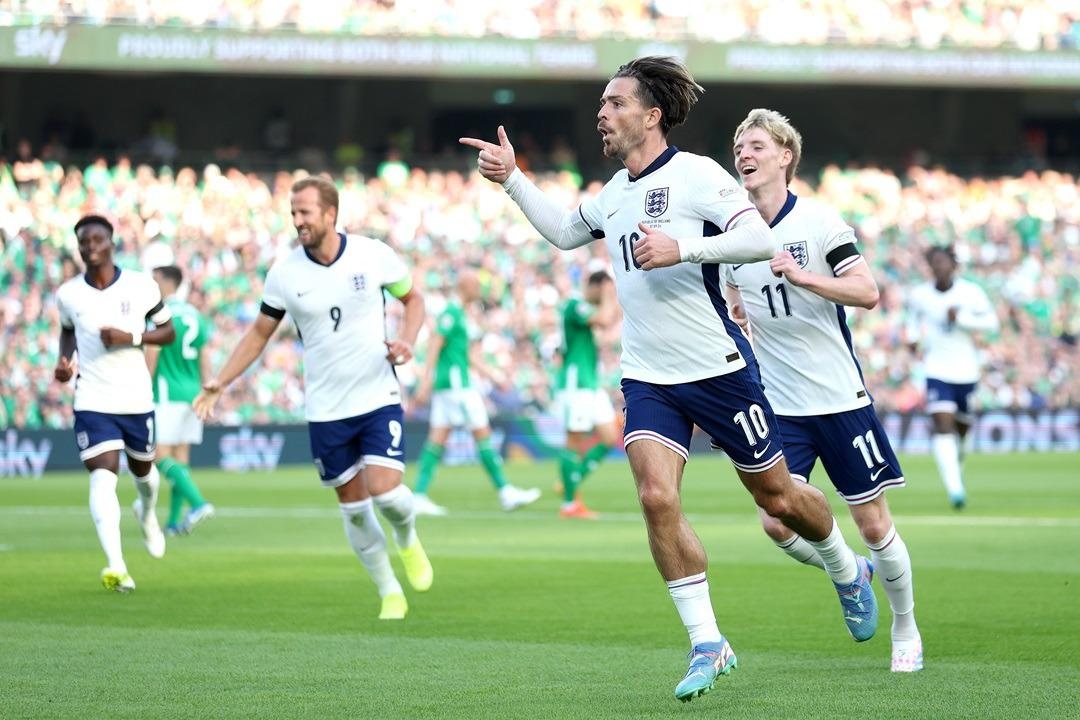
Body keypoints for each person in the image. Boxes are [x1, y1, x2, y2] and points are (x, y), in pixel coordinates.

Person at [461, 56, 877, 702]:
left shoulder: (697, 177)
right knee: (657, 498)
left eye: (615, 103)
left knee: (779, 499)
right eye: (602, 103)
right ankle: (708, 641)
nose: (603, 113)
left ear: (651, 116)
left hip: (720, 370)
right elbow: (566, 233)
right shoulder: (614, 192)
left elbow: (759, 241)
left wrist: (685, 248)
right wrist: (514, 179)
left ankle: (846, 568)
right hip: (648, 376)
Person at [724, 108, 922, 672]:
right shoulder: (734, 235)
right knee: (773, 519)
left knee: (874, 523)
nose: (745, 153)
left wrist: (804, 276)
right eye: (740, 145)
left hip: (839, 399)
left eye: (757, 144)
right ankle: (848, 571)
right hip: (781, 406)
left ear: (785, 156)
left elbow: (867, 291)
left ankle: (905, 629)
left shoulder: (818, 221)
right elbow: (739, 304)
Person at [193, 176, 433, 621]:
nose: (297, 221)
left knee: (385, 492)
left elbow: (413, 299)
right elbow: (259, 333)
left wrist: (407, 339)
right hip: (326, 409)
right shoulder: (285, 274)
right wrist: (221, 381)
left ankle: (407, 538)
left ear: (329, 213)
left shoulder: (371, 254)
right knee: (357, 510)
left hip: (377, 393)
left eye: (304, 212)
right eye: (293, 213)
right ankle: (389, 592)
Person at [54, 213, 176, 592]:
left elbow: (168, 332)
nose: (90, 247)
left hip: (136, 398)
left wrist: (132, 337)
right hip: (92, 398)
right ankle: (117, 566)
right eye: (83, 242)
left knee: (144, 476)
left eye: (97, 240)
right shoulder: (69, 294)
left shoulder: (141, 287)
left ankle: (148, 514)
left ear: (111, 243)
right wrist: (64, 363)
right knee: (102, 477)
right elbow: (67, 333)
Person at [411, 270, 541, 515]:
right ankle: (505, 491)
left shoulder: (459, 313)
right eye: (476, 285)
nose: (480, 289)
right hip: (456, 386)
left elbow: (465, 353)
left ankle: (418, 494)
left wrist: (492, 375)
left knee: (436, 440)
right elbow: (435, 343)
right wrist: (425, 381)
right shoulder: (451, 313)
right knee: (481, 433)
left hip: (450, 387)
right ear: (466, 286)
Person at [906, 246, 999, 509]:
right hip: (937, 369)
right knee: (942, 423)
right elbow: (912, 321)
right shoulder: (920, 295)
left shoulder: (970, 292)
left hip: (966, 370)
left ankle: (957, 457)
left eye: (943, 262)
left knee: (962, 429)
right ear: (930, 266)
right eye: (934, 262)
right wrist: (912, 340)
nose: (939, 267)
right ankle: (955, 489)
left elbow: (992, 323)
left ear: (954, 265)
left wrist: (962, 319)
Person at [145, 265, 215, 536]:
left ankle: (198, 503)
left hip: (166, 393)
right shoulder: (196, 316)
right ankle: (174, 523)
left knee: (159, 455)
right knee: (180, 459)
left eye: (155, 280)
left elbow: (152, 354)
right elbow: (204, 355)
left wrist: (141, 387)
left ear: (165, 282)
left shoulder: (162, 316)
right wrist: (207, 390)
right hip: (192, 394)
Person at [554, 269, 620, 519]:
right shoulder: (575, 304)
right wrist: (608, 296)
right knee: (575, 440)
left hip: (590, 383)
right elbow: (604, 320)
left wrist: (609, 297)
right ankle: (569, 504)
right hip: (576, 383)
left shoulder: (585, 309)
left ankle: (571, 477)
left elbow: (608, 319)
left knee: (609, 436)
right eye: (604, 290)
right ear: (594, 287)